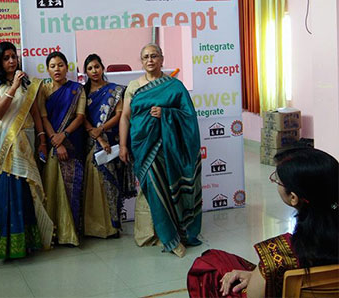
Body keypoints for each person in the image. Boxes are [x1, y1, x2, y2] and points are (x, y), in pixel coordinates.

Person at [188, 148, 339, 297]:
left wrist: (260, 276)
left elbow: (253, 295)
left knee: (207, 266)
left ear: (293, 198)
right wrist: (256, 275)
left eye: (278, 181)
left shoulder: (280, 254)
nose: (276, 183)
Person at [119, 43, 202, 257]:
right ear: (141, 61)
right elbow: (125, 117)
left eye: (154, 56)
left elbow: (189, 116)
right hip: (142, 144)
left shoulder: (175, 86)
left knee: (168, 188)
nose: (150, 60)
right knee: (153, 189)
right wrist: (123, 145)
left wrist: (166, 113)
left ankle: (176, 233)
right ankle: (166, 237)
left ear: (162, 59)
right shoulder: (133, 86)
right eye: (146, 56)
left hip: (167, 146)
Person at [0, 42, 53, 259]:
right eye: (6, 58)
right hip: (3, 144)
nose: (12, 61)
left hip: (24, 144)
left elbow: (34, 112)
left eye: (14, 56)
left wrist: (42, 140)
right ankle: (9, 246)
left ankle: (28, 242)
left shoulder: (25, 81)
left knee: (25, 192)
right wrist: (13, 87)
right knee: (7, 191)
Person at [82, 54, 136, 238]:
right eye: (90, 68)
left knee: (111, 183)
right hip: (93, 143)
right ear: (86, 72)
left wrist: (102, 129)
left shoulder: (115, 90)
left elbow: (120, 115)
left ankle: (112, 227)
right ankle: (93, 227)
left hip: (112, 142)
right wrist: (98, 136)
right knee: (94, 181)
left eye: (97, 67)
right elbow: (82, 118)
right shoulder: (83, 92)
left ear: (102, 68)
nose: (94, 71)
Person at [39, 51, 86, 246]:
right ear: (47, 70)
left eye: (60, 65)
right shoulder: (43, 89)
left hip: (73, 142)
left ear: (67, 67)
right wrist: (55, 141)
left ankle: (71, 231)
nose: (57, 69)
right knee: (51, 188)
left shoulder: (77, 89)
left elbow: (80, 117)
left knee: (71, 188)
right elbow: (43, 117)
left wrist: (64, 135)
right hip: (52, 145)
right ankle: (54, 232)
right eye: (52, 66)